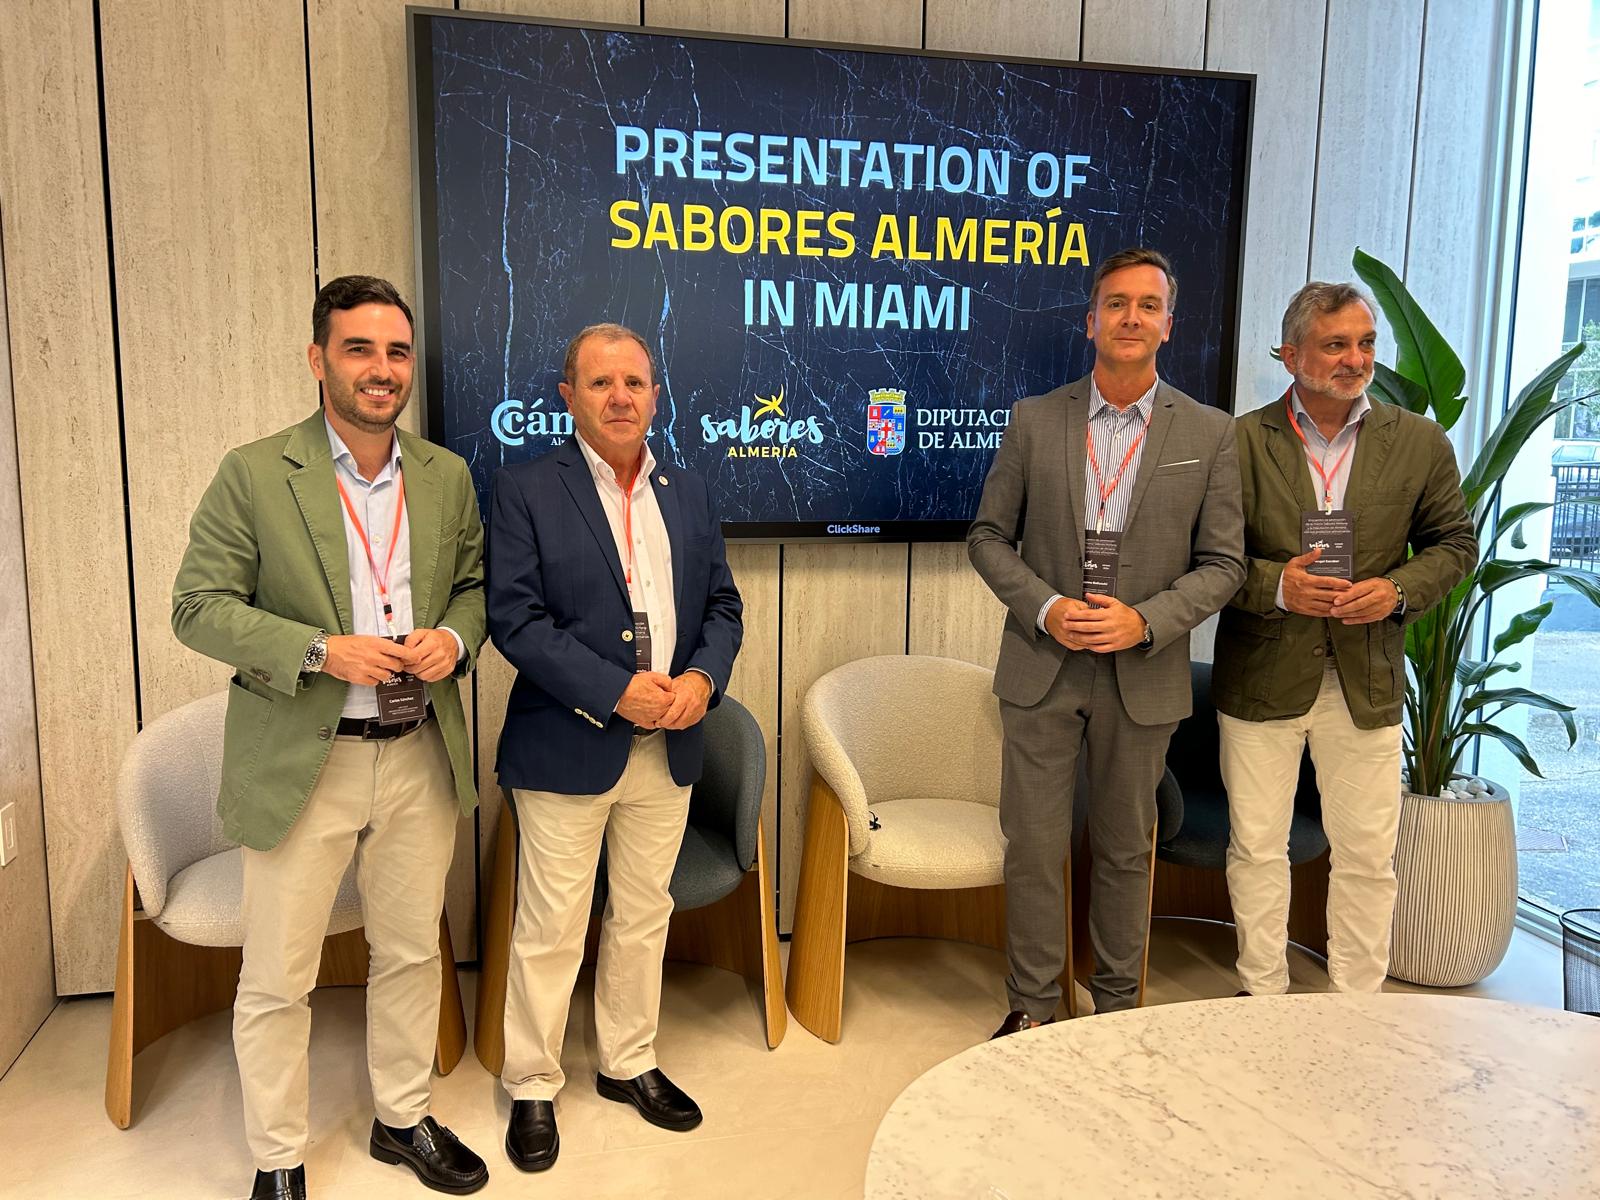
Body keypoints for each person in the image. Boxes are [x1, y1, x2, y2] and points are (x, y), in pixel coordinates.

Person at [171, 276, 489, 1199]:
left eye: (396, 352)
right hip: (304, 761)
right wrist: (319, 649)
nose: (381, 370)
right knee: (279, 976)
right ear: (318, 360)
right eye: (358, 349)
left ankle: (403, 1117)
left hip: (420, 751)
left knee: (412, 953)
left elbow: (473, 589)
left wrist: (453, 639)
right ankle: (278, 1158)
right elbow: (198, 606)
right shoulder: (253, 472)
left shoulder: (446, 476)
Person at [968, 247, 1245, 1033]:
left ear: (1168, 325)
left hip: (1143, 672)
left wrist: (1146, 619)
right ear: (1090, 321)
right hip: (1043, 666)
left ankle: (1118, 1014)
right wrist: (1047, 607)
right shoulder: (1034, 419)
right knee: (1033, 846)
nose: (1131, 317)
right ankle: (1032, 1008)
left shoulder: (1210, 433)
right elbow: (987, 537)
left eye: (1148, 305)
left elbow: (1225, 564)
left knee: (1125, 847)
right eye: (1116, 304)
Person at [487, 323, 742, 1172]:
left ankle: (628, 1061)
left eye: (635, 382)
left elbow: (723, 608)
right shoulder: (526, 488)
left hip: (669, 745)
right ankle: (532, 1082)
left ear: (655, 397)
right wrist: (614, 689)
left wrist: (701, 681)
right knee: (552, 923)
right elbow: (515, 620)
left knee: (642, 912)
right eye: (601, 383)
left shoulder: (689, 490)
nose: (620, 397)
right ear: (569, 397)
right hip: (569, 743)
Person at [1213, 281, 1475, 997]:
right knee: (1257, 848)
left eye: (1364, 344)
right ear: (1290, 354)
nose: (1355, 360)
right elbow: (1208, 558)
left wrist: (1397, 591)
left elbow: (1455, 545)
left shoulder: (1418, 441)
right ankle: (1261, 993)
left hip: (1366, 679)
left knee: (1366, 856)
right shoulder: (1238, 442)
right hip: (1262, 675)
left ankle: (1358, 1007)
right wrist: (1277, 585)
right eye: (1335, 345)